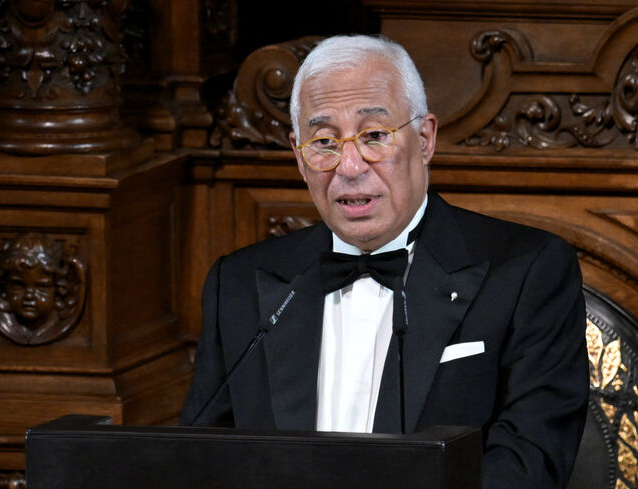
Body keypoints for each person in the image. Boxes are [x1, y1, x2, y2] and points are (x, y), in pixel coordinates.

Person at [181, 34, 588, 489]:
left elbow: (527, 468)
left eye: (374, 135)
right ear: (299, 156)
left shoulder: (528, 271)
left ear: (425, 138)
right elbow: (201, 459)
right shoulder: (237, 284)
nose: (350, 166)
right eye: (324, 142)